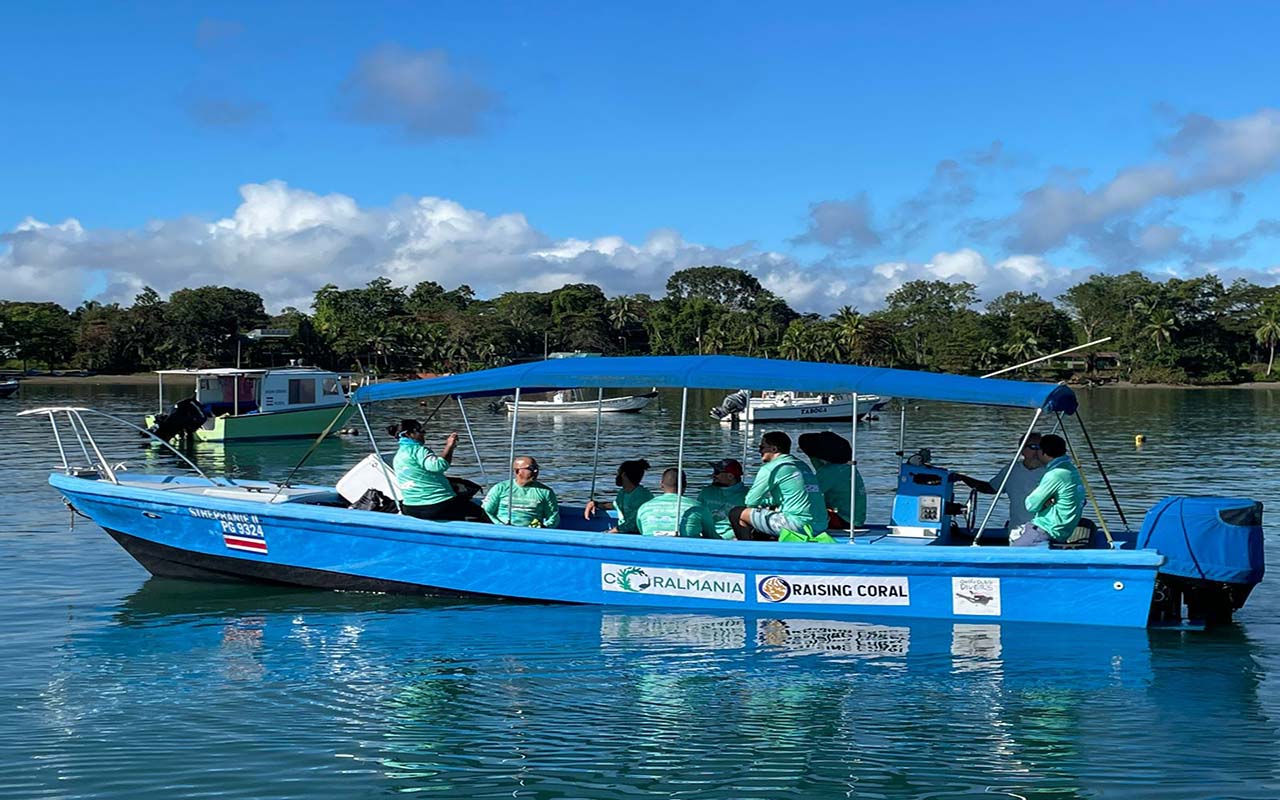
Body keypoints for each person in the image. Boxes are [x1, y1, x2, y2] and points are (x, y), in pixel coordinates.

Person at [730, 431, 828, 541]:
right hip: (820, 525)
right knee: (770, 511)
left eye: (761, 447)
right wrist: (768, 503)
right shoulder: (802, 465)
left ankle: (746, 549)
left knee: (737, 513)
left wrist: (761, 504)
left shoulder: (772, 468)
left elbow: (751, 502)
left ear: (774, 449)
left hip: (798, 525)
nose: (759, 451)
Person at [389, 419, 483, 521]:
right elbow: (439, 466)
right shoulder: (419, 450)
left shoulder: (398, 456)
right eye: (421, 431)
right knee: (480, 512)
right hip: (437, 504)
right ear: (409, 434)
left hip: (410, 507)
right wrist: (449, 445)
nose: (424, 434)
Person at [955, 432, 1043, 531]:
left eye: (1040, 447)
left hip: (1043, 530)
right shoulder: (1012, 469)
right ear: (1022, 450)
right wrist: (963, 478)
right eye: (1033, 446)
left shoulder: (1052, 472)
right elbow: (990, 488)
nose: (1037, 451)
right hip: (1018, 530)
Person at [1011, 434, 1085, 547]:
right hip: (1062, 532)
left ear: (1043, 452)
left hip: (1046, 530)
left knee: (1013, 552)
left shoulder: (1055, 474)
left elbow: (1031, 505)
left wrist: (1043, 502)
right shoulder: (1071, 470)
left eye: (1038, 449)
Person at [797, 431, 867, 529]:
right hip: (855, 520)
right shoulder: (847, 468)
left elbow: (806, 494)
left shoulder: (830, 472)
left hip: (842, 520)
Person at [635, 468, 719, 538]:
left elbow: (642, 531)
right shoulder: (698, 507)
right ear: (685, 485)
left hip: (651, 551)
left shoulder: (644, 508)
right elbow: (711, 536)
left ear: (661, 485)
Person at [482, 455, 560, 528]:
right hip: (503, 529)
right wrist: (500, 525)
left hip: (532, 532)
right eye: (531, 468)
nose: (536, 471)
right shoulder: (500, 488)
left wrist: (542, 528)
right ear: (517, 471)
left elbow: (553, 517)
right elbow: (487, 512)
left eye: (537, 468)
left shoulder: (546, 492)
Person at [584, 459, 654, 533]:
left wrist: (612, 531)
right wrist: (595, 504)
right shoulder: (623, 492)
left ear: (623, 474)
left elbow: (634, 523)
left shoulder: (641, 496)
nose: (616, 476)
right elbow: (616, 505)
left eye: (618, 473)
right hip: (624, 532)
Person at [697, 458, 748, 540]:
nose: (714, 475)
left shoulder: (747, 496)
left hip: (731, 538)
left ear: (730, 476)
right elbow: (697, 515)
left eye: (717, 472)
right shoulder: (706, 491)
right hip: (703, 534)